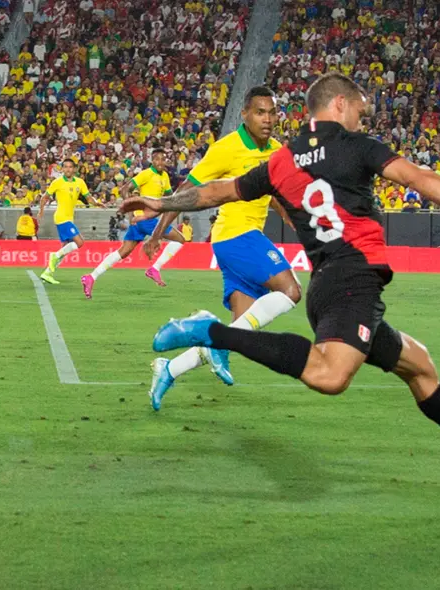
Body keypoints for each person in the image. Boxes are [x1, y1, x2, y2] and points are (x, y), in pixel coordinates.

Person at [120, 72, 440, 476]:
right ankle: (211, 332)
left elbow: (215, 191)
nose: (360, 121)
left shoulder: (281, 160)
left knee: (419, 366)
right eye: (359, 112)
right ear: (339, 104)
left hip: (329, 287)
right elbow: (419, 178)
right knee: (330, 376)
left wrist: (161, 203)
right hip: (353, 281)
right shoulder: (357, 146)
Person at [146, 86, 303, 410]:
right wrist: (159, 232)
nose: (267, 119)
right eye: (260, 112)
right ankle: (206, 326)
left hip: (236, 241)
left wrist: (292, 217)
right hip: (237, 235)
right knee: (291, 291)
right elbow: (187, 189)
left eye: (272, 113)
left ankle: (169, 370)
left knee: (238, 335)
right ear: (244, 114)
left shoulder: (276, 151)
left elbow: (273, 192)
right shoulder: (227, 148)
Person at [82, 150, 185, 297]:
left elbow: (169, 196)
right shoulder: (146, 174)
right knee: (180, 239)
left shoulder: (165, 176)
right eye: (157, 159)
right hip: (145, 219)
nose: (160, 162)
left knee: (123, 252)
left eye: (163, 159)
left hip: (142, 221)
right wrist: (130, 212)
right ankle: (155, 268)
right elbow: (125, 189)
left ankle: (91, 277)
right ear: (152, 160)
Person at [37, 159, 98, 284]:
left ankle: (48, 273)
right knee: (79, 242)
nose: (68, 169)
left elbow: (88, 198)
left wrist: (97, 203)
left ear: (74, 169)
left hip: (69, 218)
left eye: (70, 167)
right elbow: (45, 197)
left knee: (64, 250)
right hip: (61, 217)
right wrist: (41, 210)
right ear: (62, 169)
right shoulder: (57, 182)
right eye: (65, 167)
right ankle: (54, 256)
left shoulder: (80, 182)